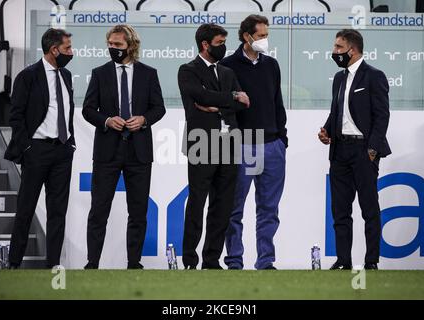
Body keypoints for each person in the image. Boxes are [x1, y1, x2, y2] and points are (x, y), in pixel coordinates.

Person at [83, 24, 165, 269]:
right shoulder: (99, 73)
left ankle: (133, 263)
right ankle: (92, 262)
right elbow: (88, 109)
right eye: (110, 44)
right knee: (99, 210)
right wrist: (107, 120)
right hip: (107, 150)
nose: (113, 49)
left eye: (117, 45)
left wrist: (144, 119)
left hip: (139, 151)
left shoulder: (149, 73)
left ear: (131, 45)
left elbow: (158, 107)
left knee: (138, 211)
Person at [178, 23, 250, 269]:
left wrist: (217, 104)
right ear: (205, 45)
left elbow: (244, 103)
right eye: (219, 43)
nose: (224, 47)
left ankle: (211, 260)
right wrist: (229, 98)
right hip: (201, 142)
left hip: (230, 142)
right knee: (197, 202)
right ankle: (190, 259)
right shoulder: (188, 70)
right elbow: (200, 96)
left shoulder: (228, 73)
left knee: (222, 205)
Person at [318, 29, 391, 270]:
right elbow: (336, 110)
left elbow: (382, 116)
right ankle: (343, 261)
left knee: (369, 209)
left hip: (363, 151)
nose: (334, 52)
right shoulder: (339, 78)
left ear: (353, 49)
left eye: (339, 47)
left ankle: (371, 261)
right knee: (340, 210)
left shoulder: (374, 76)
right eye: (335, 47)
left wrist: (372, 149)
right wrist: (326, 129)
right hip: (339, 151)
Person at [220, 14, 287, 270]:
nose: (264, 40)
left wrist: (283, 138)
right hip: (243, 145)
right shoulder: (227, 66)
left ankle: (266, 261)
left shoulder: (272, 65)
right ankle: (234, 261)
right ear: (246, 36)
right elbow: (224, 106)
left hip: (272, 145)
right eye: (260, 36)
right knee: (234, 210)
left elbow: (277, 103)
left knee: (269, 210)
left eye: (266, 35)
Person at [4, 28, 75, 269]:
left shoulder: (66, 76)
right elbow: (16, 116)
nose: (71, 52)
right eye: (67, 48)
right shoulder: (28, 76)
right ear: (54, 50)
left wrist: (70, 143)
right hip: (36, 151)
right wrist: (26, 147)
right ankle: (14, 263)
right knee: (26, 209)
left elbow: (67, 112)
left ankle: (52, 266)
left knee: (58, 212)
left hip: (62, 153)